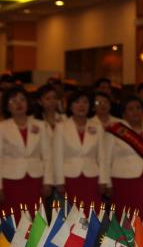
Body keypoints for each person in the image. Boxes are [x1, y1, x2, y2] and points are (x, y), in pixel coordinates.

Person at [0, 86, 53, 215]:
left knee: (36, 216)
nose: (19, 103)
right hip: (10, 180)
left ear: (28, 103)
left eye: (22, 99)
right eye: (13, 101)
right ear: (7, 106)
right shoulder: (2, 127)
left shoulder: (41, 125)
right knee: (13, 216)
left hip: (35, 180)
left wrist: (48, 181)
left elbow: (47, 156)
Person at [104, 96, 143, 217]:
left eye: (138, 108)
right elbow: (106, 159)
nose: (135, 111)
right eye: (131, 109)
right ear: (124, 113)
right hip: (123, 180)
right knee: (125, 216)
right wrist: (106, 182)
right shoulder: (115, 130)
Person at [53, 90, 107, 207]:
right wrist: (59, 181)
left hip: (92, 177)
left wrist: (103, 180)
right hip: (69, 178)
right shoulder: (61, 127)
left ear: (90, 106)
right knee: (71, 213)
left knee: (93, 211)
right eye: (77, 102)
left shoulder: (97, 127)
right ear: (70, 106)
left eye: (85, 102)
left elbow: (102, 157)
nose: (81, 105)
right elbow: (57, 157)